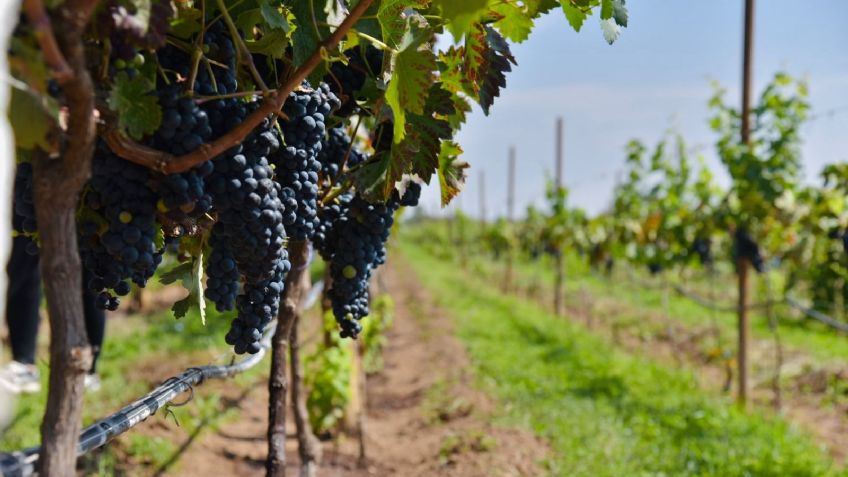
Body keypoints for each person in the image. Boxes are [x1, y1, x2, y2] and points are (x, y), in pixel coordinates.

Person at [0, 217, 106, 395]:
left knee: (88, 256)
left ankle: (88, 368)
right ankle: (24, 363)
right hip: (33, 191)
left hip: (77, 191)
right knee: (25, 251)